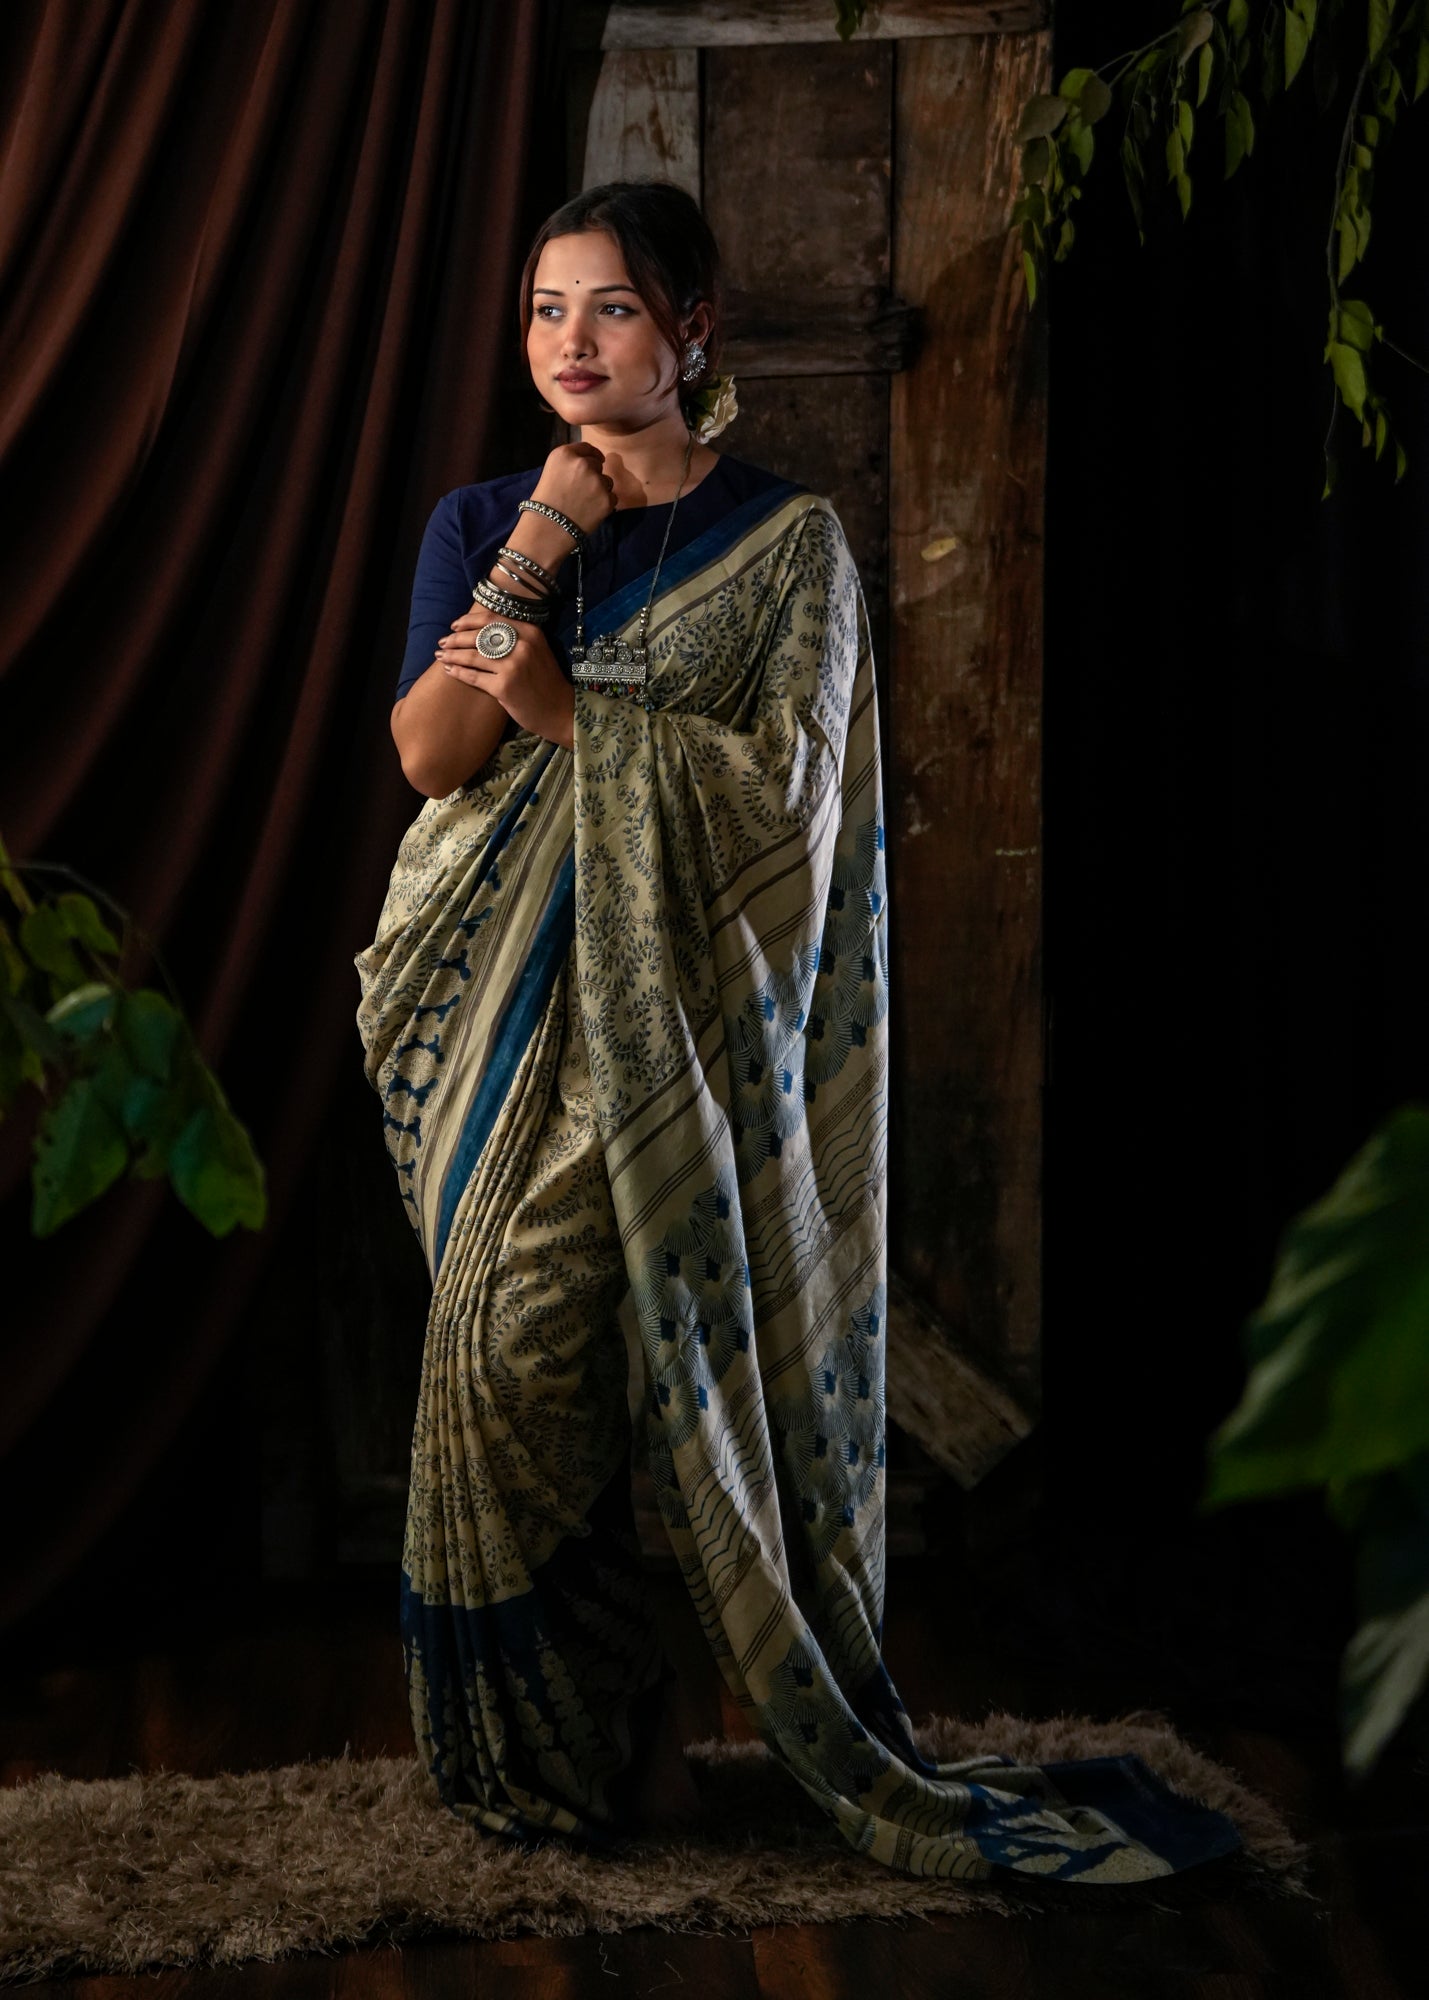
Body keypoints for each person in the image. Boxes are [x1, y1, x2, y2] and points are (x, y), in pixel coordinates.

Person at [356, 180, 1241, 1882]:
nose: (569, 343)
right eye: (545, 309)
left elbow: (792, 813)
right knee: (502, 1362)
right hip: (489, 1035)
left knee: (615, 1364)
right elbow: (430, 757)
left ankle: (646, 1724)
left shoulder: (788, 544)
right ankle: (560, 1748)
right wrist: (542, 533)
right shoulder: (484, 520)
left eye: (611, 308)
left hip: (684, 1045)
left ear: (692, 329)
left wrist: (579, 722)